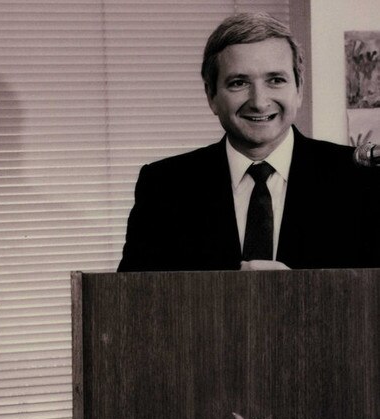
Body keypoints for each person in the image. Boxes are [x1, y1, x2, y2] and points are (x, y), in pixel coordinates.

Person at [118, 12, 380, 273]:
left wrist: (304, 296)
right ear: (211, 95)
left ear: (299, 90)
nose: (259, 101)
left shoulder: (362, 178)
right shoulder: (163, 187)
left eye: (275, 80)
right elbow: (131, 306)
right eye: (239, 82)